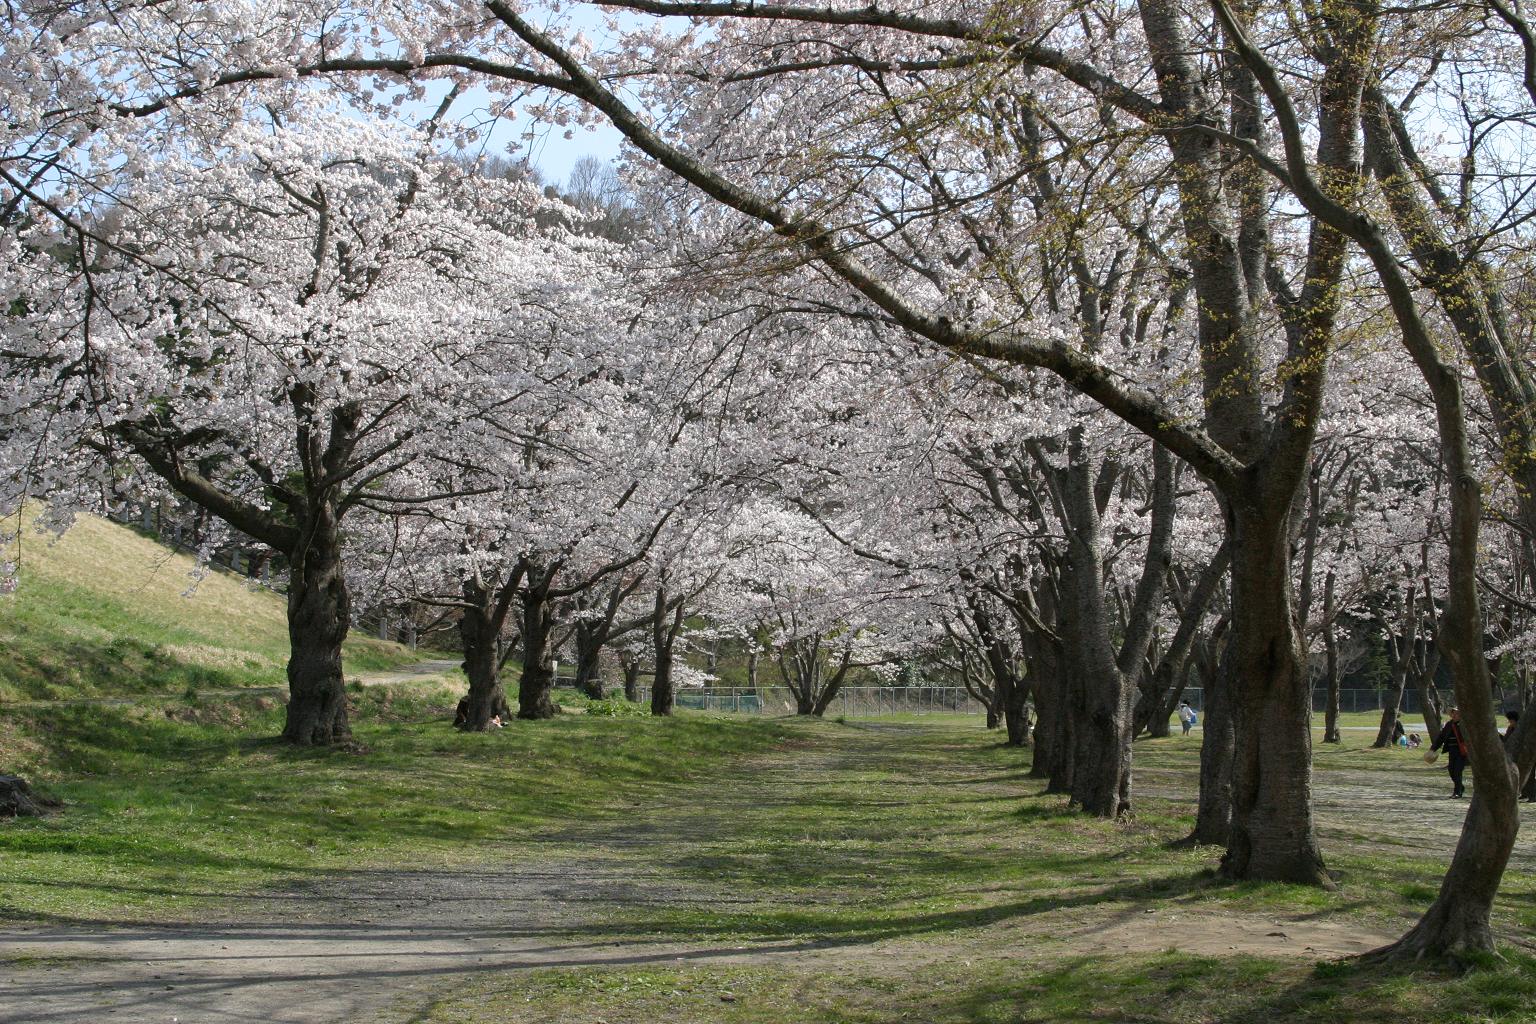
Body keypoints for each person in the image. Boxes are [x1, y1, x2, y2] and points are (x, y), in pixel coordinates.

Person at [1429, 706, 1470, 798]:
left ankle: (1457, 793)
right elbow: (1441, 738)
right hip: (1452, 751)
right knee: (1451, 770)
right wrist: (1433, 749)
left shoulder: (1464, 725)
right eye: (1453, 713)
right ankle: (1460, 787)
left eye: (1457, 713)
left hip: (1462, 752)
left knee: (1457, 771)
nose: (1454, 715)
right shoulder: (1449, 725)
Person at [1504, 710, 1535, 803]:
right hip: (1517, 756)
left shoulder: (1521, 729)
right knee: (1521, 775)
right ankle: (1525, 793)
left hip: (1526, 755)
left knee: (1530, 776)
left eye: (1510, 721)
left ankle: (1533, 795)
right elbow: (1506, 740)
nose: (1509, 723)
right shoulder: (1511, 728)